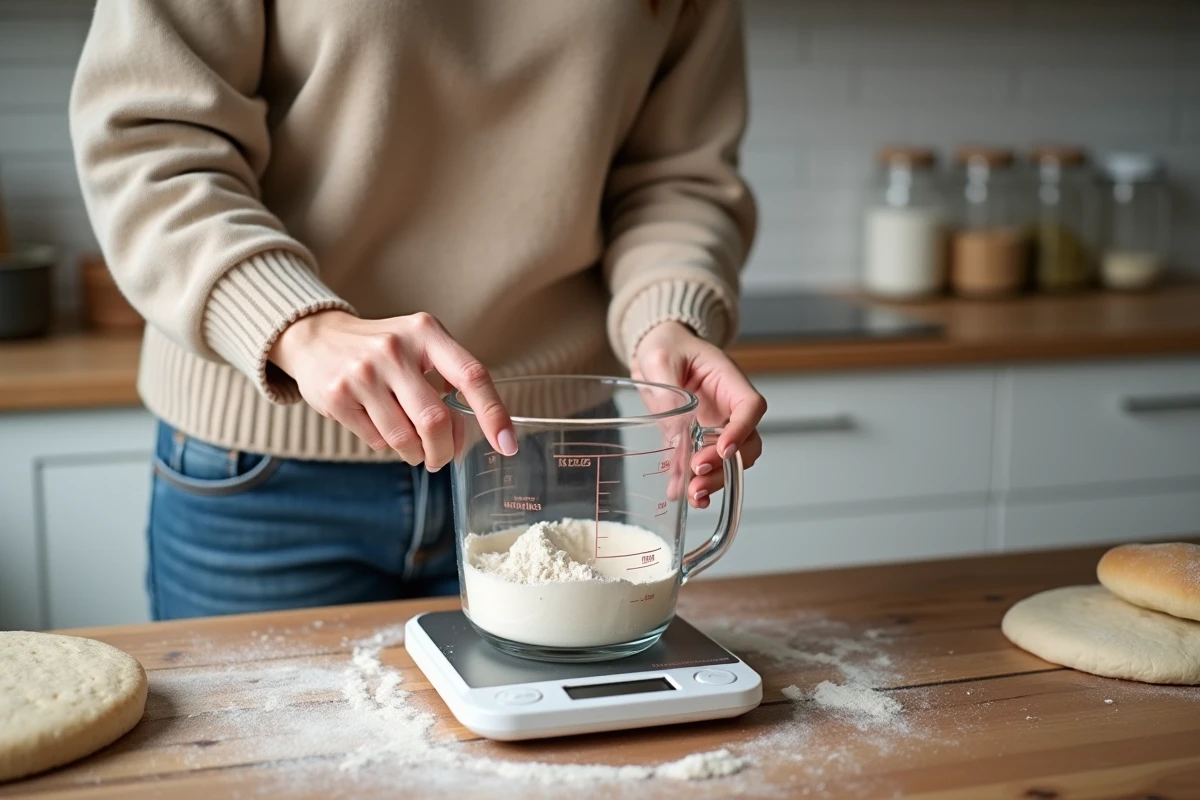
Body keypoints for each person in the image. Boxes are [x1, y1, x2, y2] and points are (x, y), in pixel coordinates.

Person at [69, 0, 765, 620]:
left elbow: (676, 174)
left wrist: (667, 313)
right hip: (266, 467)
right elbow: (151, 142)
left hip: (554, 454)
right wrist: (298, 325)